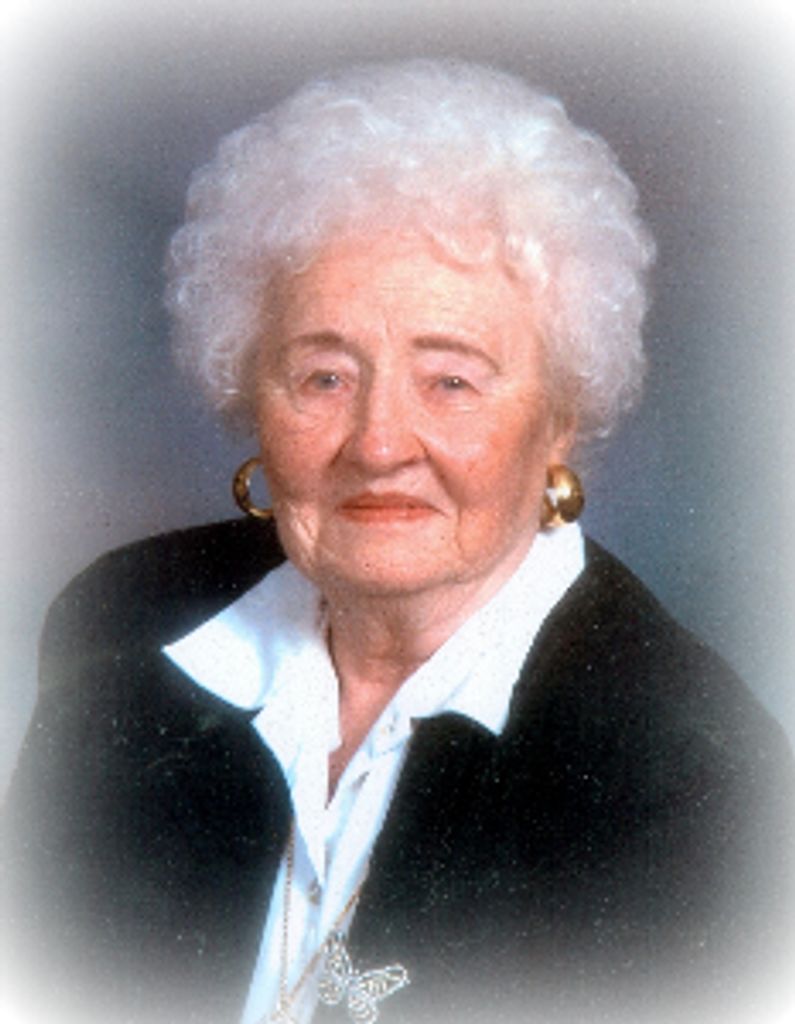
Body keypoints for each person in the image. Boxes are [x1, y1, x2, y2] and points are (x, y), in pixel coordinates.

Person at [2, 59, 794, 1024]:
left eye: (450, 381)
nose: (378, 445)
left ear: (559, 418)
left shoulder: (688, 782)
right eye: (324, 377)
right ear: (251, 393)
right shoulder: (125, 624)